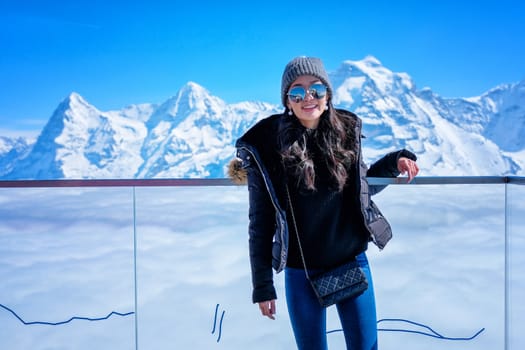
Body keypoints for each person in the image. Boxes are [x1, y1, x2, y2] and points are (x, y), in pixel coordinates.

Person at [228, 56, 419, 350]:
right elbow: (261, 222)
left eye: (316, 88)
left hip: (352, 261)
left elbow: (361, 188)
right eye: (297, 92)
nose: (308, 97)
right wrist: (263, 285)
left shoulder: (344, 133)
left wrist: (395, 162)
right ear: (287, 101)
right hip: (301, 272)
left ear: (328, 95)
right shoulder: (268, 148)